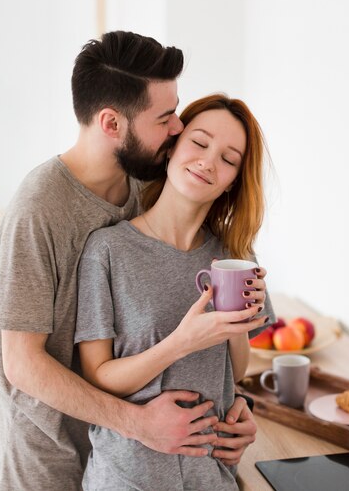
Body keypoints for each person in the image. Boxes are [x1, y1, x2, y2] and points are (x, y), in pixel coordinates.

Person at [0, 32, 265, 491]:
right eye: (165, 118)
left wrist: (236, 410)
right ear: (112, 123)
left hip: (133, 454)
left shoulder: (143, 192)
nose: (177, 129)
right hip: (43, 468)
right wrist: (137, 424)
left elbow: (184, 334)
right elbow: (21, 365)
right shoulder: (39, 209)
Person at [75, 93, 275, 491]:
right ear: (172, 148)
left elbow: (233, 372)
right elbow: (98, 375)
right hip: (127, 478)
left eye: (228, 159)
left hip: (210, 477)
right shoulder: (108, 250)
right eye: (199, 143)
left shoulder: (235, 257)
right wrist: (180, 343)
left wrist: (236, 323)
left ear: (233, 181)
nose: (208, 162)